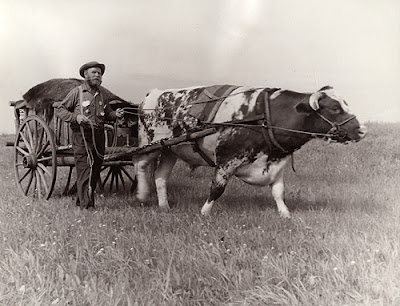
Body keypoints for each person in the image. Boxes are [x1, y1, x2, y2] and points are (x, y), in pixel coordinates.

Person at [55, 61, 124, 209]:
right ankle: (87, 206)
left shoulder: (102, 95)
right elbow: (60, 109)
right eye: (94, 72)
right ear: (86, 75)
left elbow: (108, 113)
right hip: (82, 135)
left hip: (99, 135)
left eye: (99, 73)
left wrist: (115, 114)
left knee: (96, 168)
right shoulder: (77, 92)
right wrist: (76, 118)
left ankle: (82, 200)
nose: (97, 75)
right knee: (85, 167)